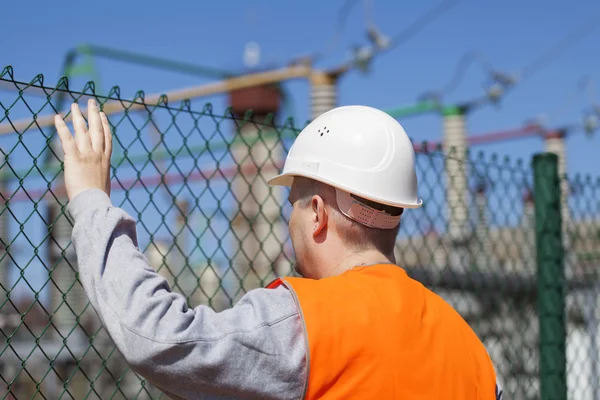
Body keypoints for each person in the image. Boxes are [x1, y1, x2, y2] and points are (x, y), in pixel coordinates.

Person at [55, 99, 504, 399]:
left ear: (317, 214)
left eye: (291, 209)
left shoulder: (306, 322)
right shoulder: (466, 344)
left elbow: (157, 338)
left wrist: (90, 200)